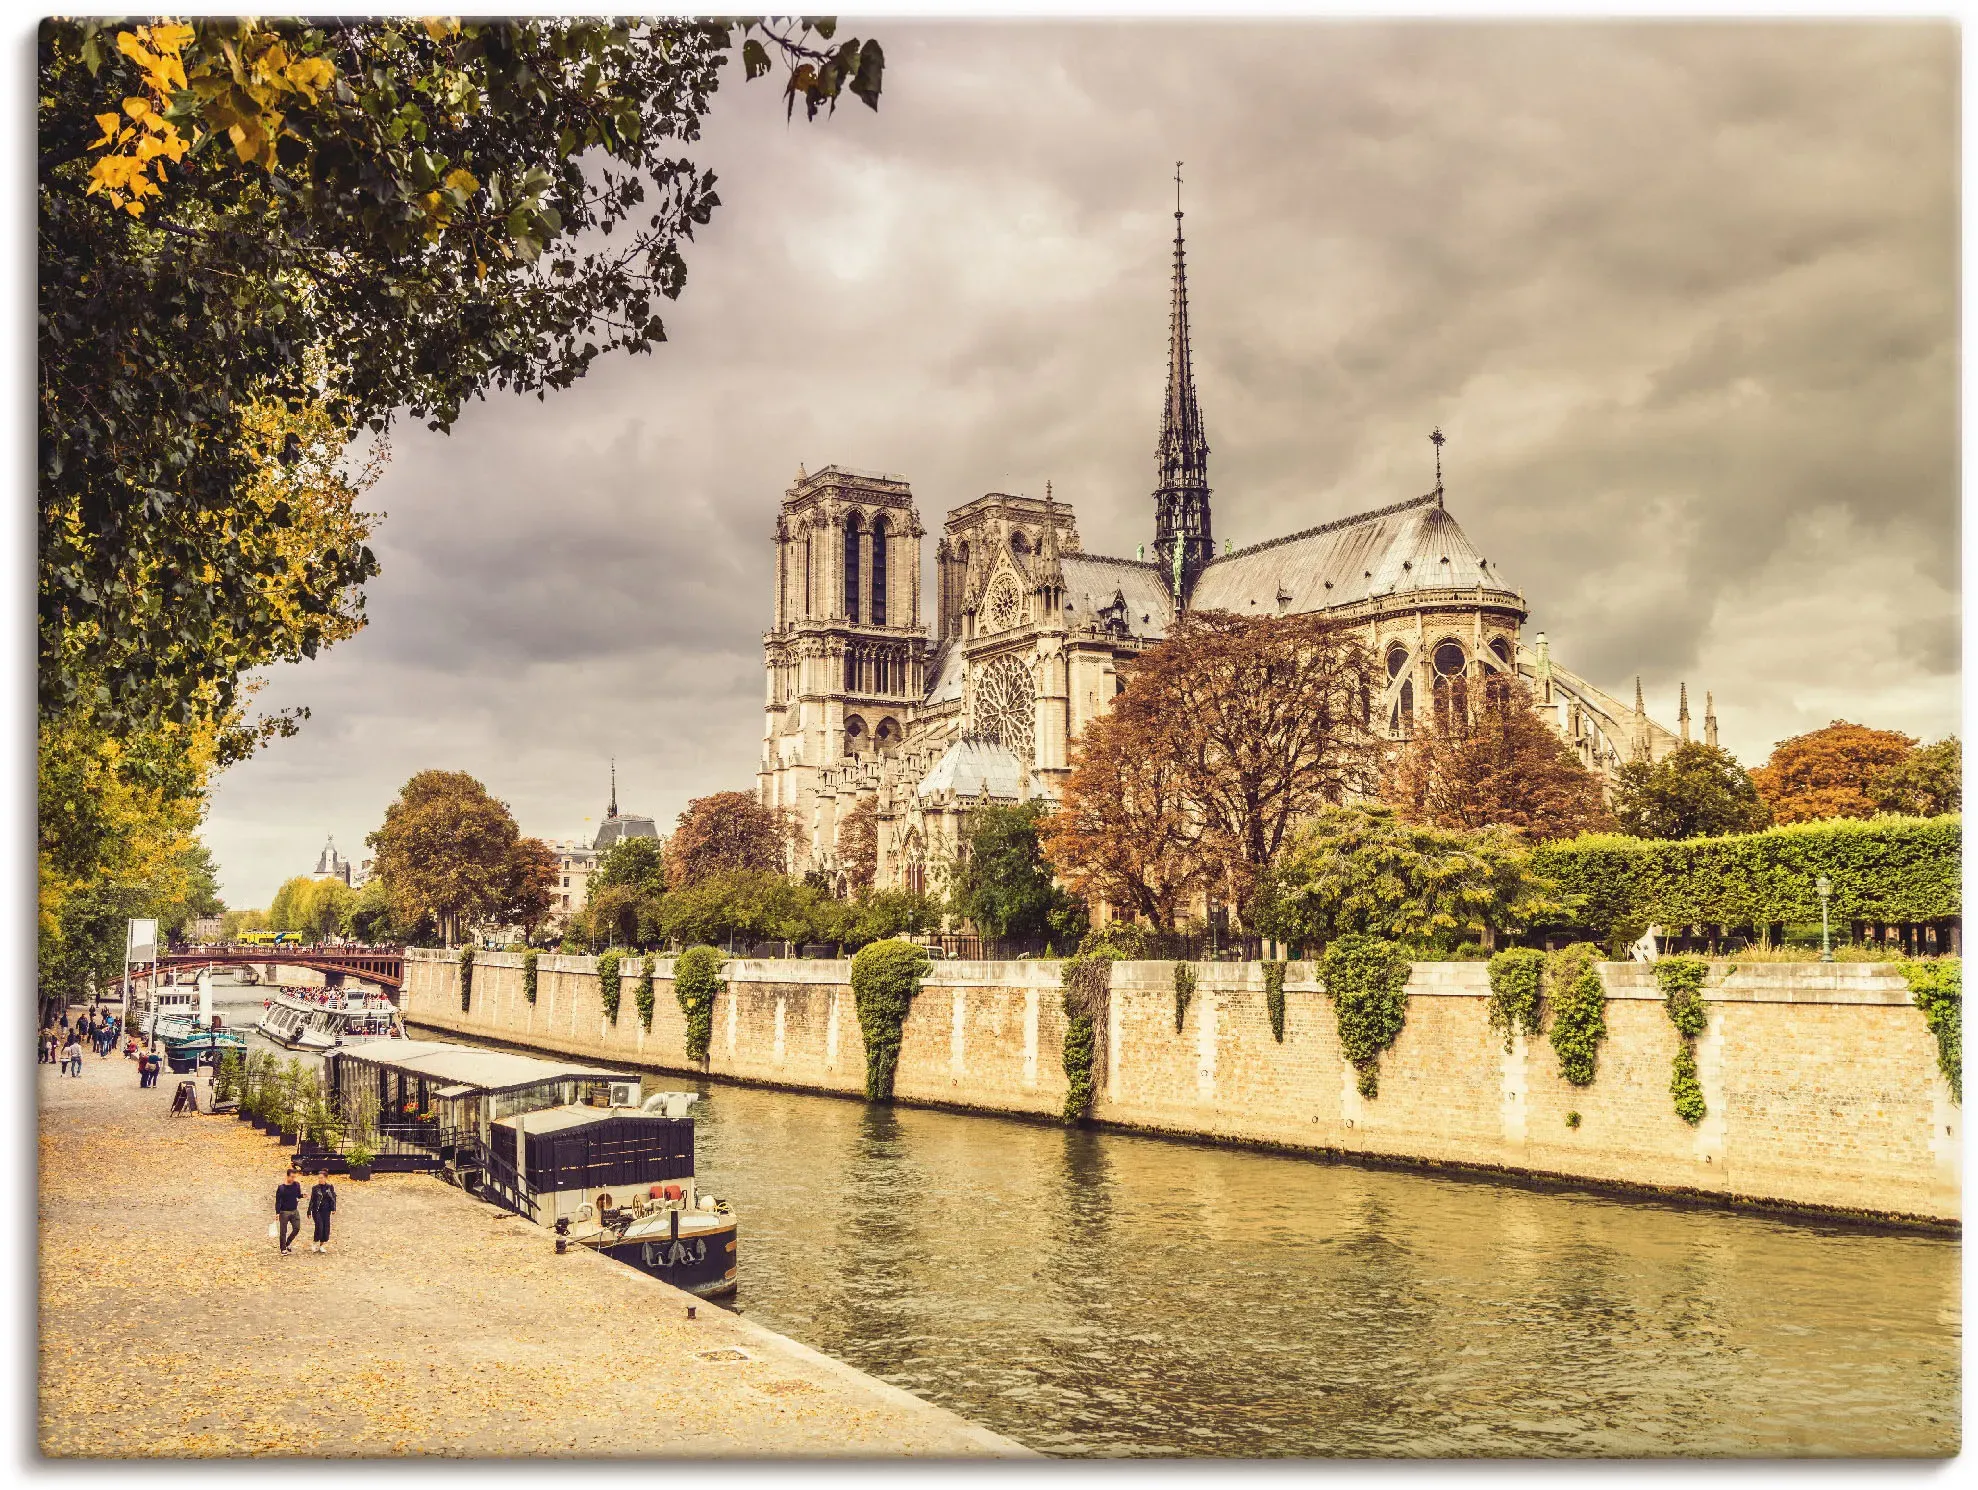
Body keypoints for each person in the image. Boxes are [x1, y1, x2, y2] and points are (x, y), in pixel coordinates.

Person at [274, 1169, 303, 1255]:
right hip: (284, 1212)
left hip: (294, 1210)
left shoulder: (297, 1185)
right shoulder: (281, 1188)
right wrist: (277, 1213)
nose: (293, 1179)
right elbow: (278, 1201)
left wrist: (302, 1196)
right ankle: (283, 1248)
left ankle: (288, 1242)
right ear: (287, 1176)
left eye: (294, 1177)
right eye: (292, 1177)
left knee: (297, 1228)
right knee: (283, 1231)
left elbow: (298, 1195)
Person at [307, 1175, 338, 1254]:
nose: (320, 1179)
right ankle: (314, 1242)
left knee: (325, 1228)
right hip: (316, 1210)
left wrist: (333, 1208)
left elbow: (333, 1198)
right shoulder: (315, 1188)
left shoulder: (329, 1187)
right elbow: (312, 1200)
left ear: (325, 1178)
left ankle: (321, 1245)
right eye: (319, 1178)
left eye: (321, 1178)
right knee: (319, 1226)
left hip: (326, 1211)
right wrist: (309, 1211)